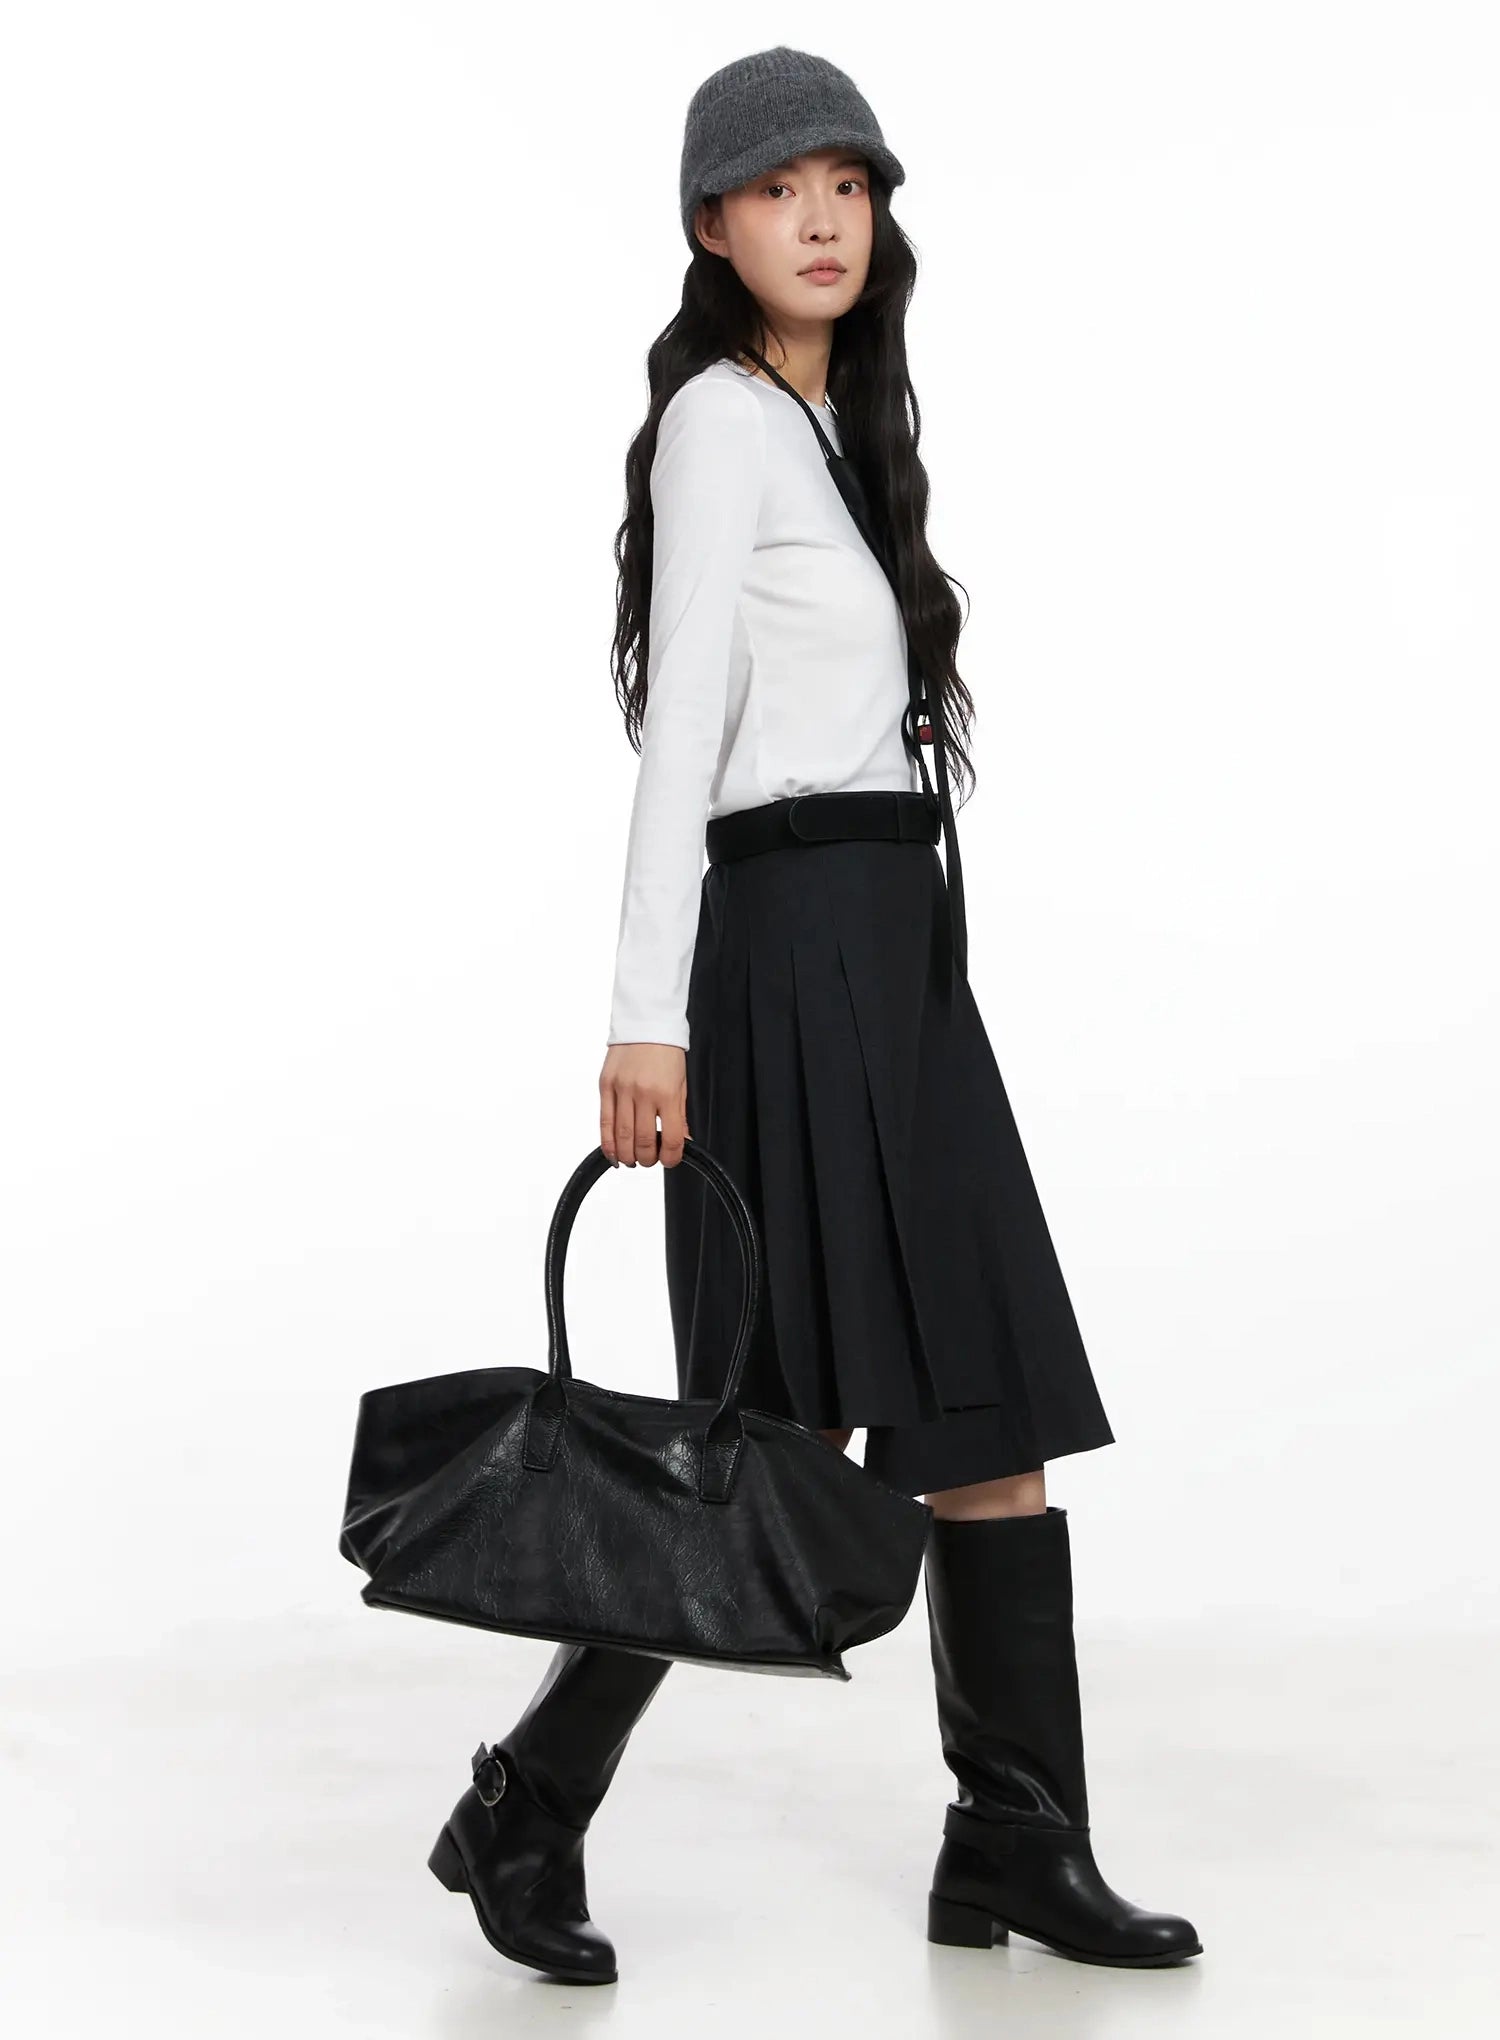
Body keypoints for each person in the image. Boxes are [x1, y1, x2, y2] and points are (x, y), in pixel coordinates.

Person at [426, 45, 1203, 1984]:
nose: (823, 217)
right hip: (781, 962)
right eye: (780, 188)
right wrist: (646, 1021)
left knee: (986, 1401)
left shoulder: (839, 425)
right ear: (713, 225)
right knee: (754, 1434)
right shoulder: (718, 423)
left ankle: (1015, 1838)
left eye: (848, 182)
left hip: (898, 957)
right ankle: (526, 1805)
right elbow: (683, 724)